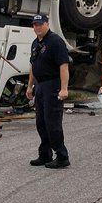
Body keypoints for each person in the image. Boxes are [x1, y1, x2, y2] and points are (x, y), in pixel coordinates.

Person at [25, 13, 71, 168]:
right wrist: (30, 86)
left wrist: (64, 89)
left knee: (52, 122)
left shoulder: (56, 42)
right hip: (40, 85)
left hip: (53, 85)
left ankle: (62, 155)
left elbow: (63, 66)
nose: (37, 27)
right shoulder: (35, 43)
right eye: (34, 25)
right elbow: (33, 66)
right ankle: (45, 154)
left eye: (40, 24)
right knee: (41, 122)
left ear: (47, 24)